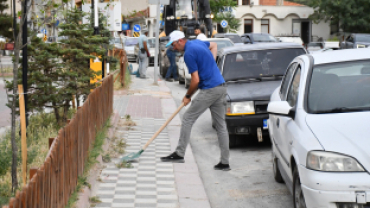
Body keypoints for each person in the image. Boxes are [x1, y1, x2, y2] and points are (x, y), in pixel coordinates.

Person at [160, 31, 230, 171]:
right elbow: (214, 45)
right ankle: (224, 162)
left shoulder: (189, 54)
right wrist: (211, 65)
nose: (173, 48)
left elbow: (195, 80)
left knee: (187, 117)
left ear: (180, 41)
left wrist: (187, 96)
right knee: (221, 125)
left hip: (209, 89)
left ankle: (179, 154)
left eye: (173, 44)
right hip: (221, 87)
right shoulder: (197, 43)